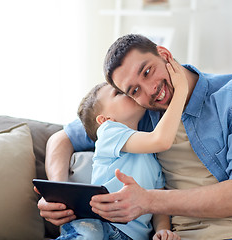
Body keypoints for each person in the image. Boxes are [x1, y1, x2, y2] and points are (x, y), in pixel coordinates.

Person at [38, 34, 232, 240]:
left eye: (147, 71)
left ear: (164, 54)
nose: (151, 90)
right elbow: (60, 139)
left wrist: (147, 200)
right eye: (133, 90)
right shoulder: (137, 115)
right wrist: (59, 193)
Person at [49, 57, 186, 240]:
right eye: (118, 93)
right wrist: (180, 92)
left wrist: (162, 230)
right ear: (104, 119)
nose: (129, 92)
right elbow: (160, 140)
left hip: (131, 237)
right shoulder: (109, 133)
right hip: (99, 224)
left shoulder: (153, 158)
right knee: (88, 236)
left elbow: (157, 202)